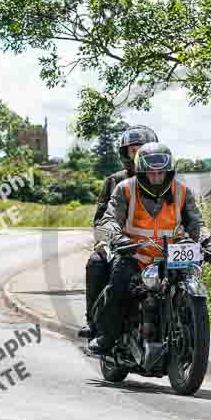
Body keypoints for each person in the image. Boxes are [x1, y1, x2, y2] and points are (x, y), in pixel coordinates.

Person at [87, 142, 211, 355]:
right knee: (119, 284)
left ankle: (185, 327)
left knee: (187, 281)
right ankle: (107, 334)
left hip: (171, 256)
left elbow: (196, 224)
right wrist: (118, 238)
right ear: (141, 172)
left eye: (161, 173)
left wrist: (209, 242)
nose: (157, 177)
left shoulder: (182, 192)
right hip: (134, 253)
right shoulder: (125, 189)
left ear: (169, 172)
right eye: (151, 173)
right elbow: (110, 219)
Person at [79, 125, 159, 339]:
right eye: (134, 150)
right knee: (96, 263)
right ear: (126, 154)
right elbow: (100, 220)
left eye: (143, 149)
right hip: (122, 245)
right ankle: (95, 323)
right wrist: (107, 243)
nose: (139, 154)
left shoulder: (164, 180)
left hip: (156, 245)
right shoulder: (114, 181)